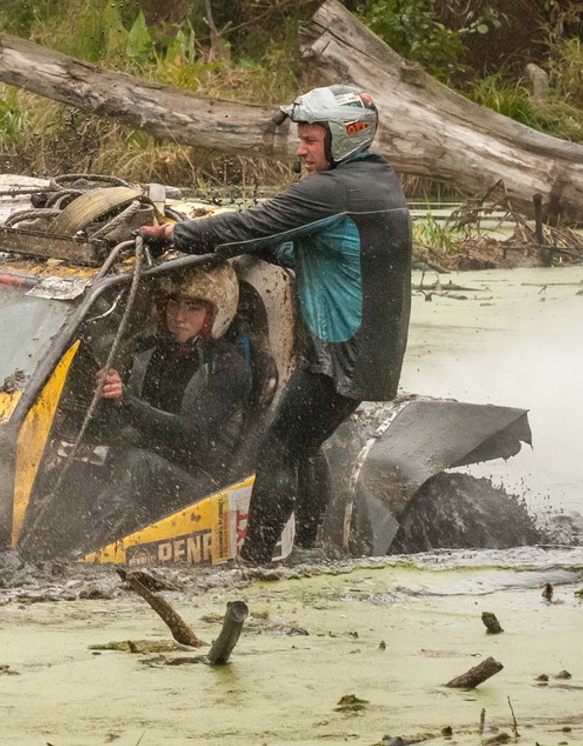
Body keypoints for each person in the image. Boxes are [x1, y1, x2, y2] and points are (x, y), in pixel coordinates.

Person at [136, 84, 412, 564]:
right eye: (300, 139)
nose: (300, 150)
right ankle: (307, 547)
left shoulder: (332, 191)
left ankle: (256, 560)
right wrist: (237, 238)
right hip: (367, 351)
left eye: (310, 140)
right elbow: (294, 244)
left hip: (341, 354)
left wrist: (176, 232)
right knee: (305, 444)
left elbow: (254, 224)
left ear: (345, 137)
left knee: (278, 447)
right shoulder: (377, 179)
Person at [86, 261, 251, 540]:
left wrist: (125, 401)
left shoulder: (230, 368)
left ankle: (85, 551)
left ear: (213, 314)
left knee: (138, 463)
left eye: (193, 307)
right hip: (145, 465)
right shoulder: (147, 351)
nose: (179, 317)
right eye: (173, 304)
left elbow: (191, 433)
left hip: (201, 485)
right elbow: (116, 422)